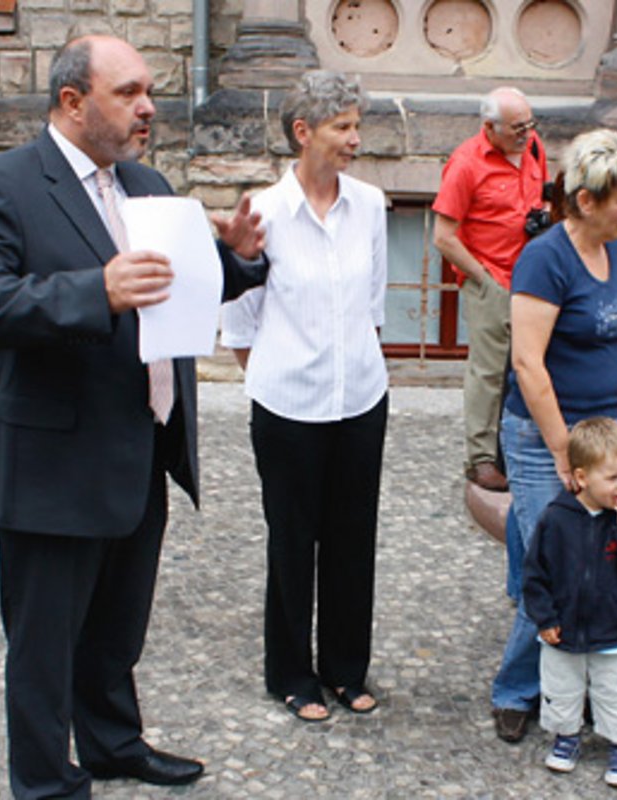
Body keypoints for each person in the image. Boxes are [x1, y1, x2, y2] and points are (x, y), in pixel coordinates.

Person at [0, 35, 268, 799]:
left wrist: (239, 262)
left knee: (117, 628)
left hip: (137, 447)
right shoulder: (3, 184)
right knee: (45, 642)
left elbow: (173, 284)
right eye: (128, 92)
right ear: (72, 102)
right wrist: (98, 291)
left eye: (149, 91)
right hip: (49, 464)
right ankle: (47, 782)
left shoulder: (147, 183)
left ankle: (114, 744)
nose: (148, 106)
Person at [220, 71, 387, 722]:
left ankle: (346, 668)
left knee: (353, 540)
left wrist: (358, 368)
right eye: (342, 126)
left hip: (362, 401)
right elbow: (240, 320)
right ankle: (291, 673)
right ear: (303, 132)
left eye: (355, 125)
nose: (354, 139)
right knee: (293, 541)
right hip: (287, 406)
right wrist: (279, 374)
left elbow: (373, 306)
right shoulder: (261, 211)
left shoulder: (371, 205)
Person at [490, 128, 617, 743]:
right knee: (557, 560)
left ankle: (572, 679)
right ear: (585, 200)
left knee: (558, 551)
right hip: (545, 435)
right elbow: (529, 364)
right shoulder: (545, 258)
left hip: (606, 429)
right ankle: (515, 689)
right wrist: (563, 449)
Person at [523, 417, 617, 788]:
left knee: (615, 692)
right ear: (582, 478)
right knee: (562, 689)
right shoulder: (556, 518)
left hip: (612, 628)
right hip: (562, 629)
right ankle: (567, 737)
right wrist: (544, 617)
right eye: (614, 477)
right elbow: (535, 573)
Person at [432, 86, 548, 492]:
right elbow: (443, 236)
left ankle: (514, 448)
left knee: (527, 365)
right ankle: (480, 459)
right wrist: (482, 279)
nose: (526, 134)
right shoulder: (466, 164)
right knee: (488, 372)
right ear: (489, 128)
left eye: (530, 124)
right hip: (492, 279)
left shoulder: (533, 147)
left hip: (531, 277)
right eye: (517, 128)